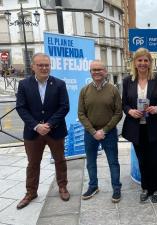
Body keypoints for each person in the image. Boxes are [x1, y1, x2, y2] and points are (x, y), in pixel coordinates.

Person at [16, 53, 70, 209]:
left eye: (47, 65)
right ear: (33, 66)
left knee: (60, 160)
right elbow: (21, 108)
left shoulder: (59, 84)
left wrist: (49, 125)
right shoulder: (24, 85)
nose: (44, 68)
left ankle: (62, 187)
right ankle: (31, 192)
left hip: (55, 131)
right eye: (40, 65)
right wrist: (36, 126)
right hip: (33, 133)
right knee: (33, 163)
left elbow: (64, 106)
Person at [122, 47, 157, 203]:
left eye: (145, 60)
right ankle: (145, 187)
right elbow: (124, 104)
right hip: (136, 128)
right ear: (134, 62)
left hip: (154, 126)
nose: (142, 63)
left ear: (150, 63)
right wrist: (130, 112)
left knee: (154, 159)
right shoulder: (127, 81)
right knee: (142, 160)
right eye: (139, 60)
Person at [78, 60, 122, 203]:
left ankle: (116, 188)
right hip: (90, 133)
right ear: (90, 72)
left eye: (99, 69)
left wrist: (104, 130)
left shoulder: (113, 90)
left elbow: (118, 113)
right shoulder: (84, 90)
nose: (96, 72)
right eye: (93, 70)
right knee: (90, 162)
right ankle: (93, 186)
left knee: (113, 162)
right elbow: (81, 114)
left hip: (109, 133)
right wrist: (93, 131)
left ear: (105, 72)